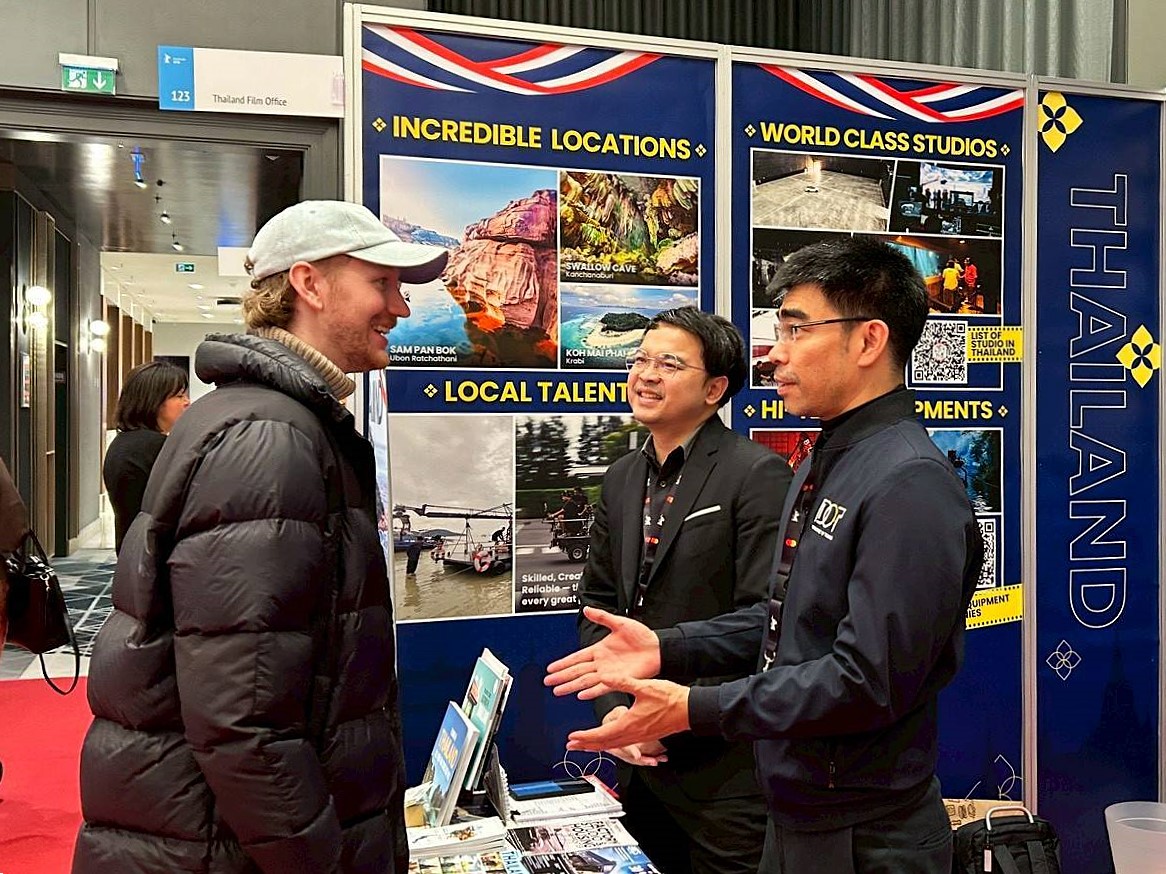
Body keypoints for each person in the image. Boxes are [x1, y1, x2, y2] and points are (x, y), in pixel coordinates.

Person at [547, 238, 983, 874]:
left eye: (796, 330)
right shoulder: (829, 460)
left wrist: (695, 707)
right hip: (796, 807)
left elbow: (868, 681)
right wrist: (670, 648)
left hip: (861, 834)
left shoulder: (908, 481)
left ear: (868, 340)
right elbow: (785, 619)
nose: (775, 353)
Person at [73, 200, 448, 873]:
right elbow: (241, 717)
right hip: (226, 846)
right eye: (382, 283)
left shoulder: (271, 419)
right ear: (308, 284)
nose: (400, 307)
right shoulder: (271, 437)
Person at [576, 306, 792, 874]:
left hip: (724, 772)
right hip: (639, 763)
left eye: (669, 365)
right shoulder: (622, 476)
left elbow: (768, 621)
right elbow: (599, 609)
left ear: (715, 389)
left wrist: (672, 704)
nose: (646, 375)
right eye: (640, 359)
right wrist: (616, 715)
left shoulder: (756, 475)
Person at [101, 360, 190, 554]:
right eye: (179, 396)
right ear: (153, 401)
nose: (187, 402)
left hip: (132, 549)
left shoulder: (125, 442)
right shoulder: (154, 447)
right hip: (152, 552)